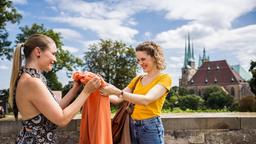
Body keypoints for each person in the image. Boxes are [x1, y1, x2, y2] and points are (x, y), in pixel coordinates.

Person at [9, 34, 101, 143]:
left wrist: (75, 89)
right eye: (53, 54)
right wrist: (86, 92)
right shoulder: (32, 82)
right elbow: (61, 119)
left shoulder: (30, 78)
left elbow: (55, 109)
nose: (55, 59)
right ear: (38, 52)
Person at [101, 41, 172, 144]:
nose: (140, 63)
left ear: (154, 57)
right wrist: (99, 89)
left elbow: (146, 100)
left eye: (143, 59)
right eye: (138, 60)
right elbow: (118, 99)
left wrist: (116, 91)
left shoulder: (165, 78)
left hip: (150, 127)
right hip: (132, 125)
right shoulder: (137, 79)